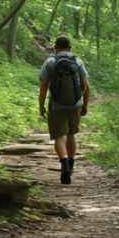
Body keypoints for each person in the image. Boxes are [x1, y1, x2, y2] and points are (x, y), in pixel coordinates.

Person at [38, 35, 90, 184]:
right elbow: (86, 87)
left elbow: (43, 87)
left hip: (56, 105)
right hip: (75, 104)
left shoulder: (50, 62)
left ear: (55, 47)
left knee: (59, 136)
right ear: (70, 47)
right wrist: (85, 105)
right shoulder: (78, 61)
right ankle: (71, 164)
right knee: (72, 134)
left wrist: (41, 106)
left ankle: (64, 163)